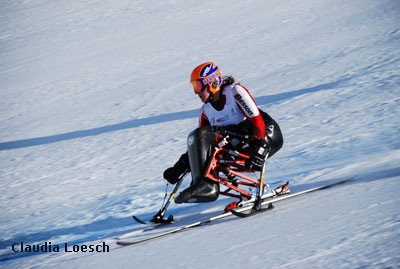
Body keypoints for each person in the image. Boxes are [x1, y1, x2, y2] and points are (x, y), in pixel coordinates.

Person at [163, 62, 283, 204]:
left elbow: (257, 121)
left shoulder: (235, 92)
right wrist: (179, 167)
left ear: (212, 83)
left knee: (206, 134)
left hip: (266, 136)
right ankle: (203, 184)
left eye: (199, 86)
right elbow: (199, 143)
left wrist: (260, 150)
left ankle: (206, 186)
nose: (197, 92)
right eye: (194, 87)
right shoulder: (206, 111)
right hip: (240, 141)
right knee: (200, 136)